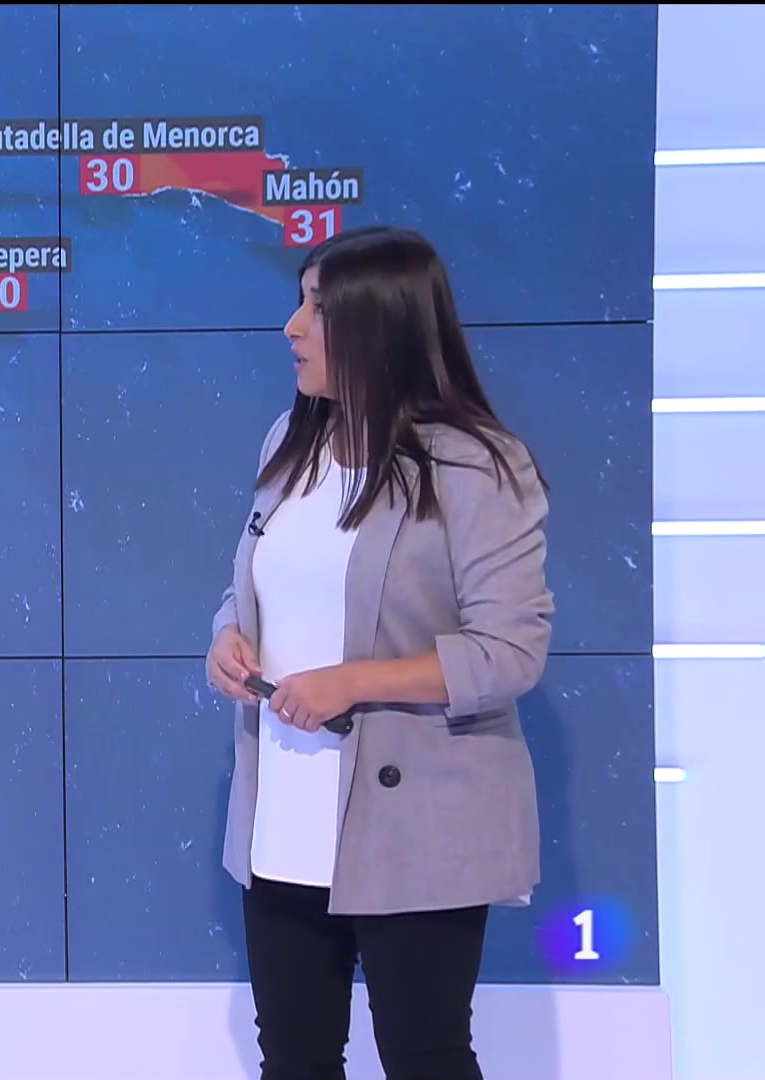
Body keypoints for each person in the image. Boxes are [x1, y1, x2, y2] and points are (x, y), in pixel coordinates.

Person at [204, 225, 554, 1080]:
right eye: (299, 303)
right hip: (284, 814)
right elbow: (255, 588)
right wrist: (225, 638)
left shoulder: (475, 466)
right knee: (293, 1058)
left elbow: (510, 649)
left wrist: (353, 682)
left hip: (417, 820)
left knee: (424, 1056)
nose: (292, 328)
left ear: (382, 325)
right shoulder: (288, 444)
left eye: (318, 310)